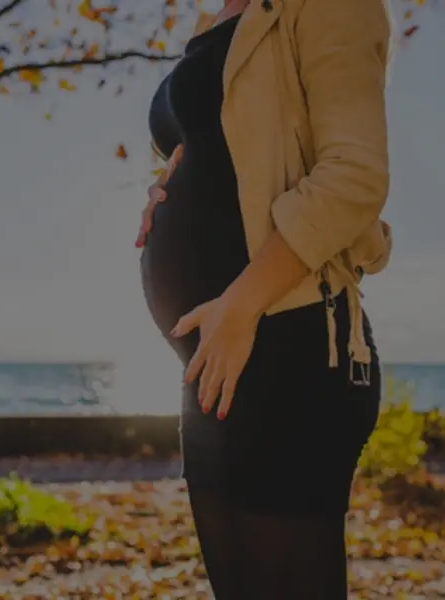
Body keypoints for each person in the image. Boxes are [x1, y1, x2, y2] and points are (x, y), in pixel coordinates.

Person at [136, 0, 393, 597]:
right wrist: (163, 188)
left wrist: (240, 304)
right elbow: (228, 154)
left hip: (291, 345)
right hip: (214, 361)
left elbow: (354, 175)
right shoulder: (217, 19)